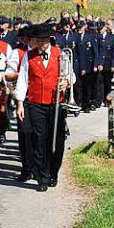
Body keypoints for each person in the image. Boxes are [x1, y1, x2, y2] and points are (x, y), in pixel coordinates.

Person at [14, 23, 67, 191]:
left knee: (57, 140)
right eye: (39, 40)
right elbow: (22, 81)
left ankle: (53, 172)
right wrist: (20, 104)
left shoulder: (61, 55)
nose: (42, 43)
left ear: (50, 40)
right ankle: (42, 177)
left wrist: (66, 82)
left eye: (45, 40)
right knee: (39, 140)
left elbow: (70, 75)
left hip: (56, 103)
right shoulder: (28, 57)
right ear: (35, 41)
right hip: (36, 103)